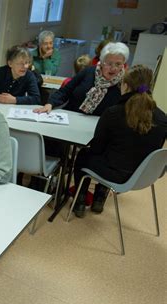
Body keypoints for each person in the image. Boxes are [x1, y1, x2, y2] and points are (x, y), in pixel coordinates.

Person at [71, 65, 166, 218]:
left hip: (115, 175)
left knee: (85, 155)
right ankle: (99, 198)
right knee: (113, 156)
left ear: (126, 86)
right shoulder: (163, 118)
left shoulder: (113, 113)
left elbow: (96, 148)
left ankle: (80, 202)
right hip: (144, 175)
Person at [35, 42, 130, 116]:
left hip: (98, 126)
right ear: (101, 62)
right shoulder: (88, 72)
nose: (113, 68)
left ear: (123, 64)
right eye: (109, 63)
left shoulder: (125, 83)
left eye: (118, 64)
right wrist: (50, 104)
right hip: (70, 116)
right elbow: (65, 91)